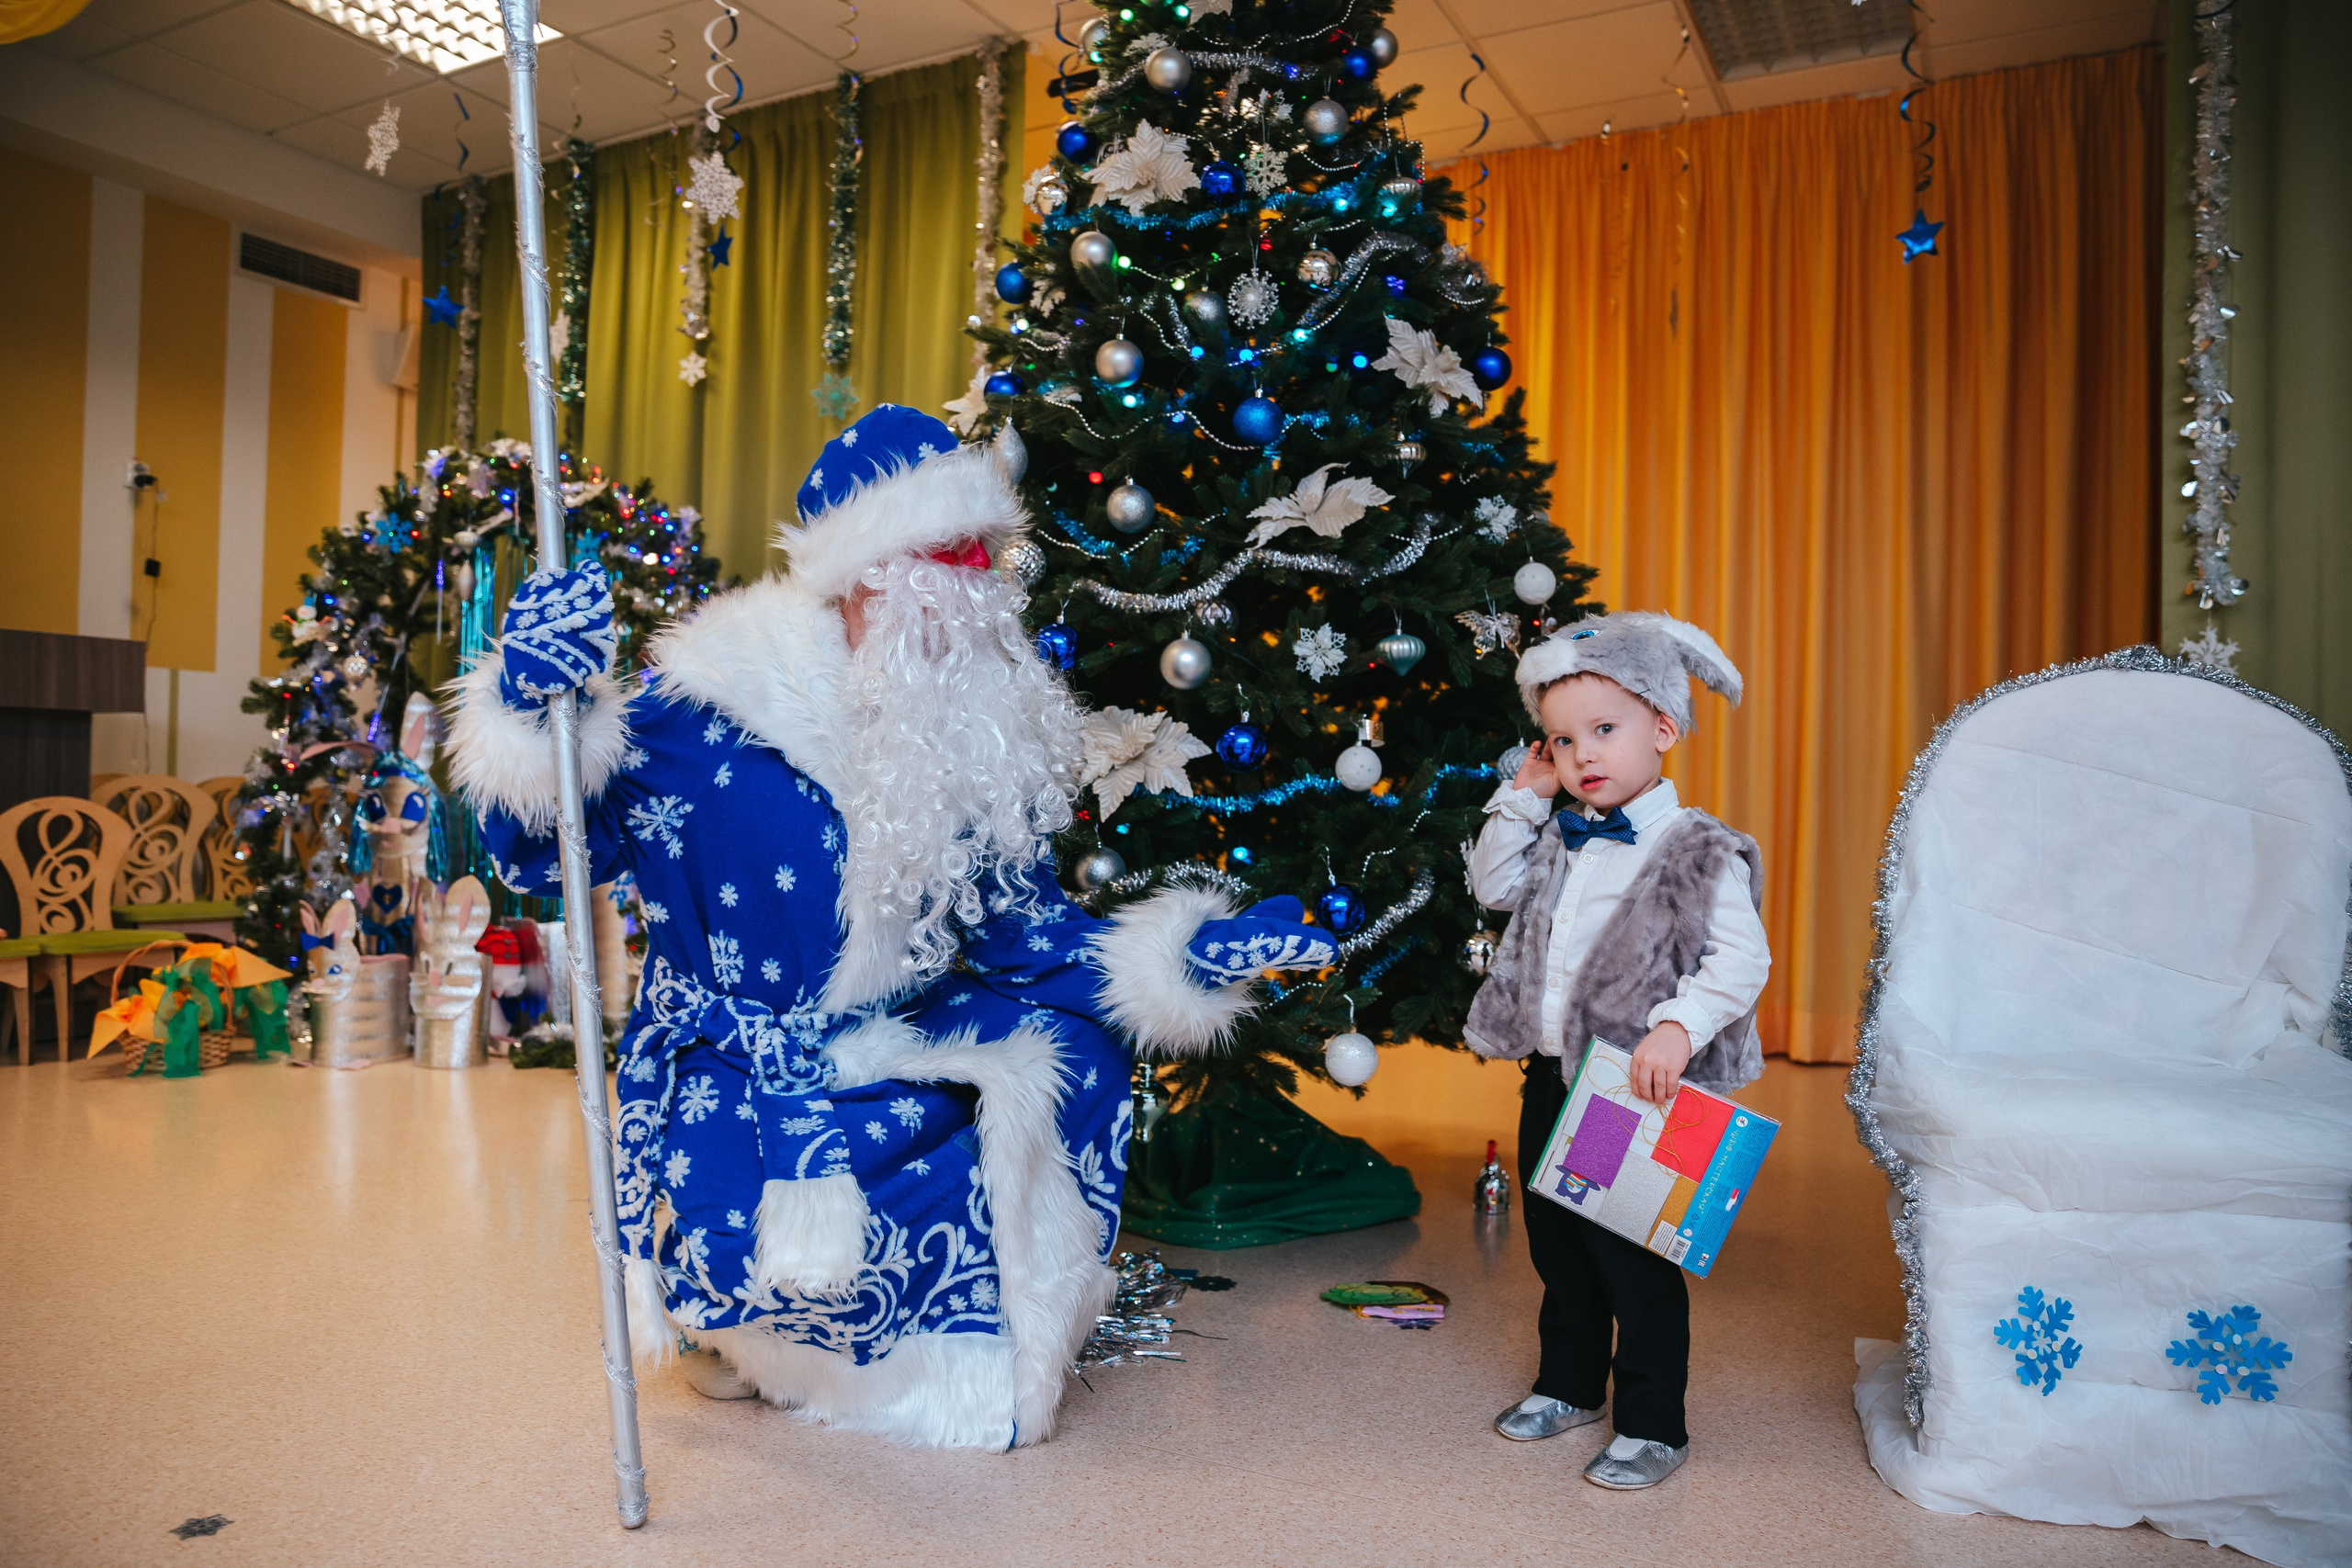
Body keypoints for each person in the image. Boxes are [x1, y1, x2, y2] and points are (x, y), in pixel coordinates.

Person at [447, 405, 1334, 1449]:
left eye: (985, 559)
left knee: (1073, 1048)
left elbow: (1027, 934)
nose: (979, 587)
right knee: (772, 1186)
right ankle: (749, 1336)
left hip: (890, 1027)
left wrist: (1181, 955)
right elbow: (540, 850)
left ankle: (945, 1351)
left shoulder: (957, 729)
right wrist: (532, 711)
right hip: (740, 1062)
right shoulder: (707, 714)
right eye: (950, 558)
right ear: (868, 569)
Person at [1461, 613, 1770, 1490]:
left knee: (1626, 1253)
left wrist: (1677, 1025)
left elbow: (1741, 959)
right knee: (1555, 1242)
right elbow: (1491, 884)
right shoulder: (1559, 831)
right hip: (1549, 1076)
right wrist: (1523, 794)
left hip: (1625, 1093)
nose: (1582, 756)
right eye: (1562, 740)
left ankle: (1651, 1422)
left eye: (1605, 730)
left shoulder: (1696, 847)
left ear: (1664, 728)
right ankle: (1569, 1383)